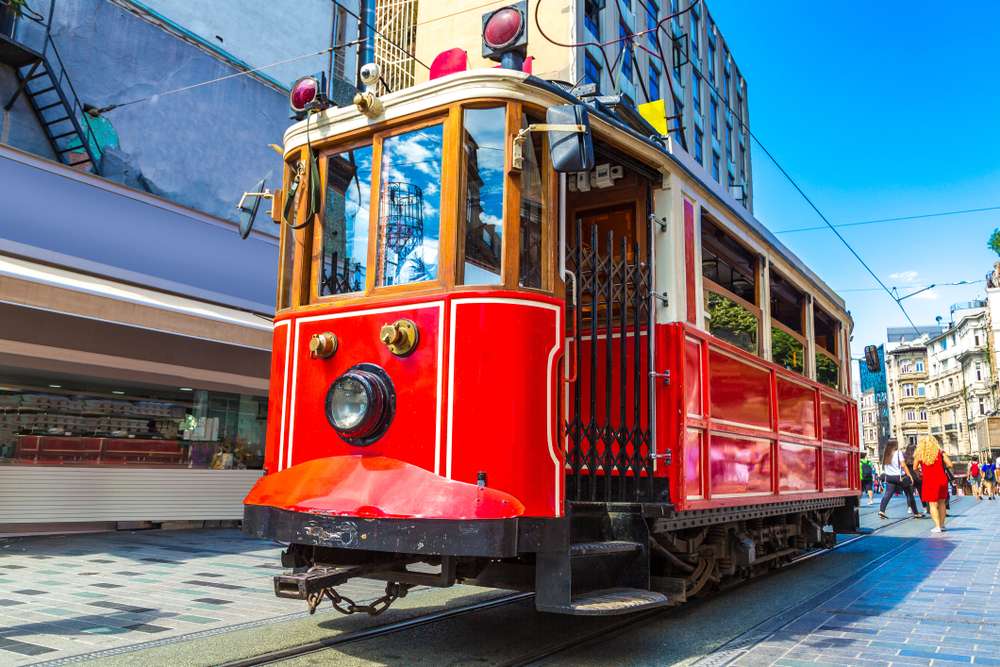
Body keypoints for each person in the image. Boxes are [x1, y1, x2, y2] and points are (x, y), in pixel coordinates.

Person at [913, 435, 953, 533]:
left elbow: (914, 467)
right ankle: (943, 525)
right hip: (942, 479)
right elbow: (950, 464)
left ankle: (937, 526)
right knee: (942, 503)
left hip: (929, 480)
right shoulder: (940, 452)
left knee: (932, 504)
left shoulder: (920, 454)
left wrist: (920, 474)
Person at [878, 438, 924, 519]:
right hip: (899, 477)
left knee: (887, 494)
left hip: (889, 477)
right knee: (909, 493)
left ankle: (882, 511)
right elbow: (903, 465)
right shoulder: (898, 453)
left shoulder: (886, 454)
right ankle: (916, 513)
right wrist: (909, 475)